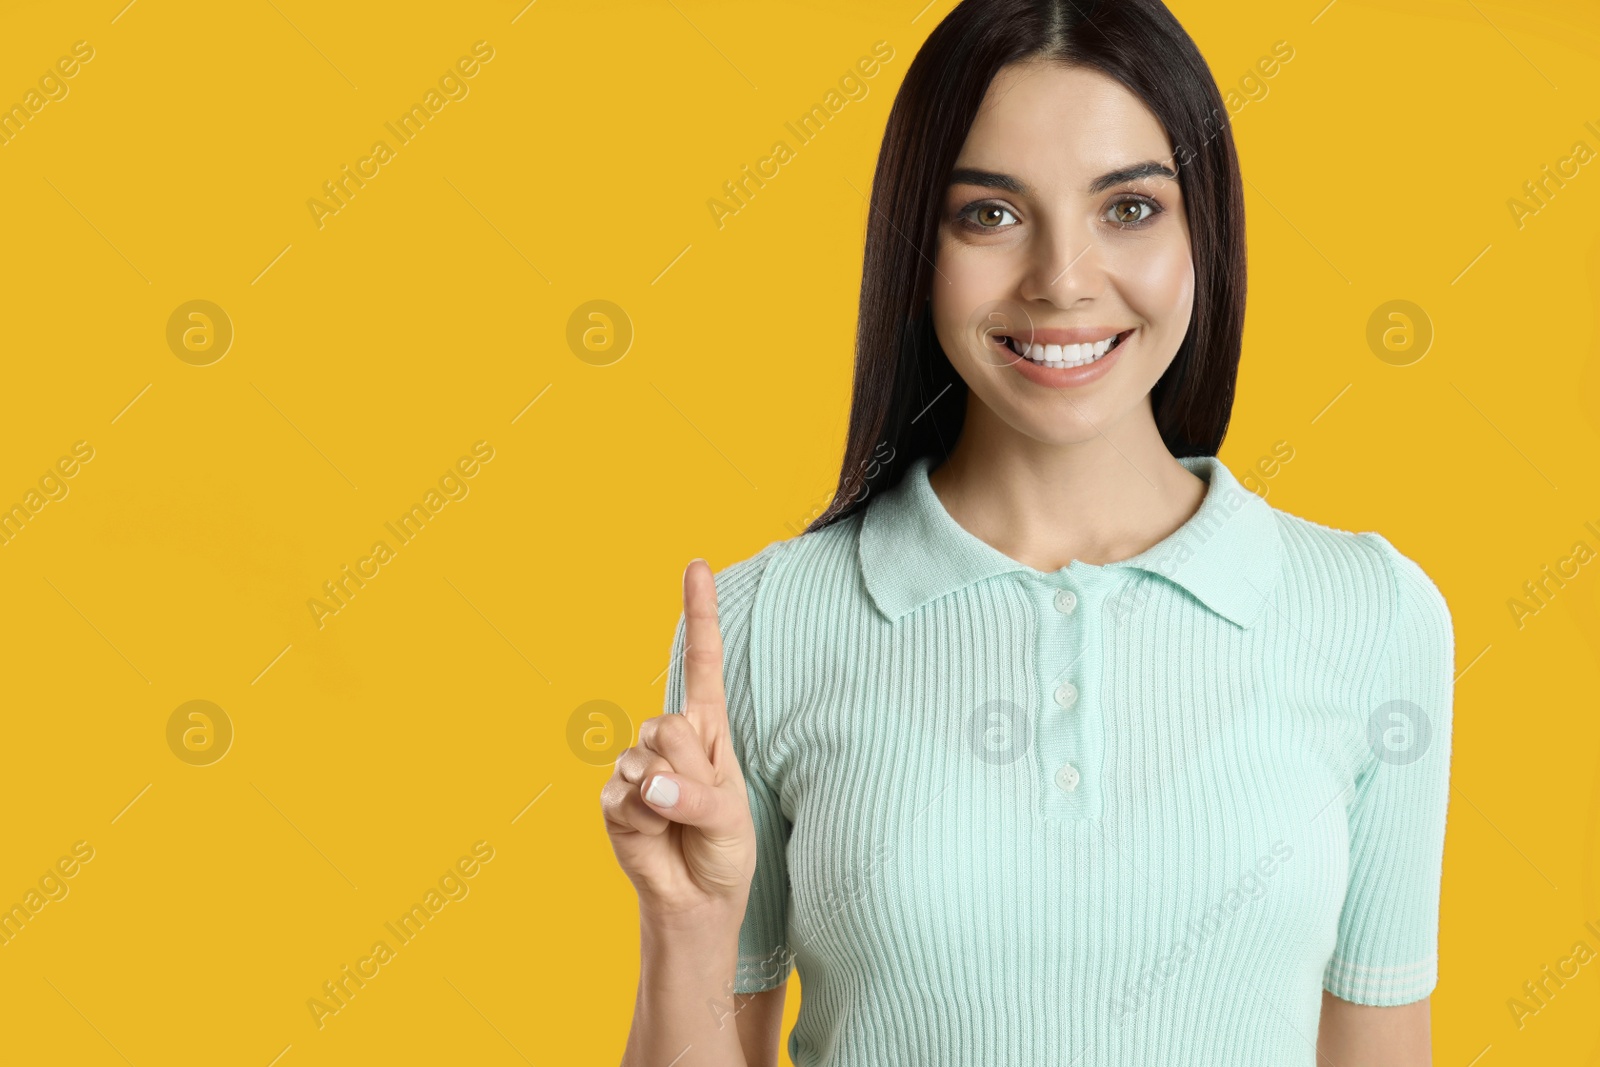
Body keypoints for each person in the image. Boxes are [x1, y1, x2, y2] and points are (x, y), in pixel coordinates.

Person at [601, 1, 1455, 1063]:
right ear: (919, 246)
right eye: (990, 216)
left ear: (1206, 235)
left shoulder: (1372, 615)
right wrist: (685, 927)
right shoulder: (760, 626)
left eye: (1129, 208)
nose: (1060, 279)